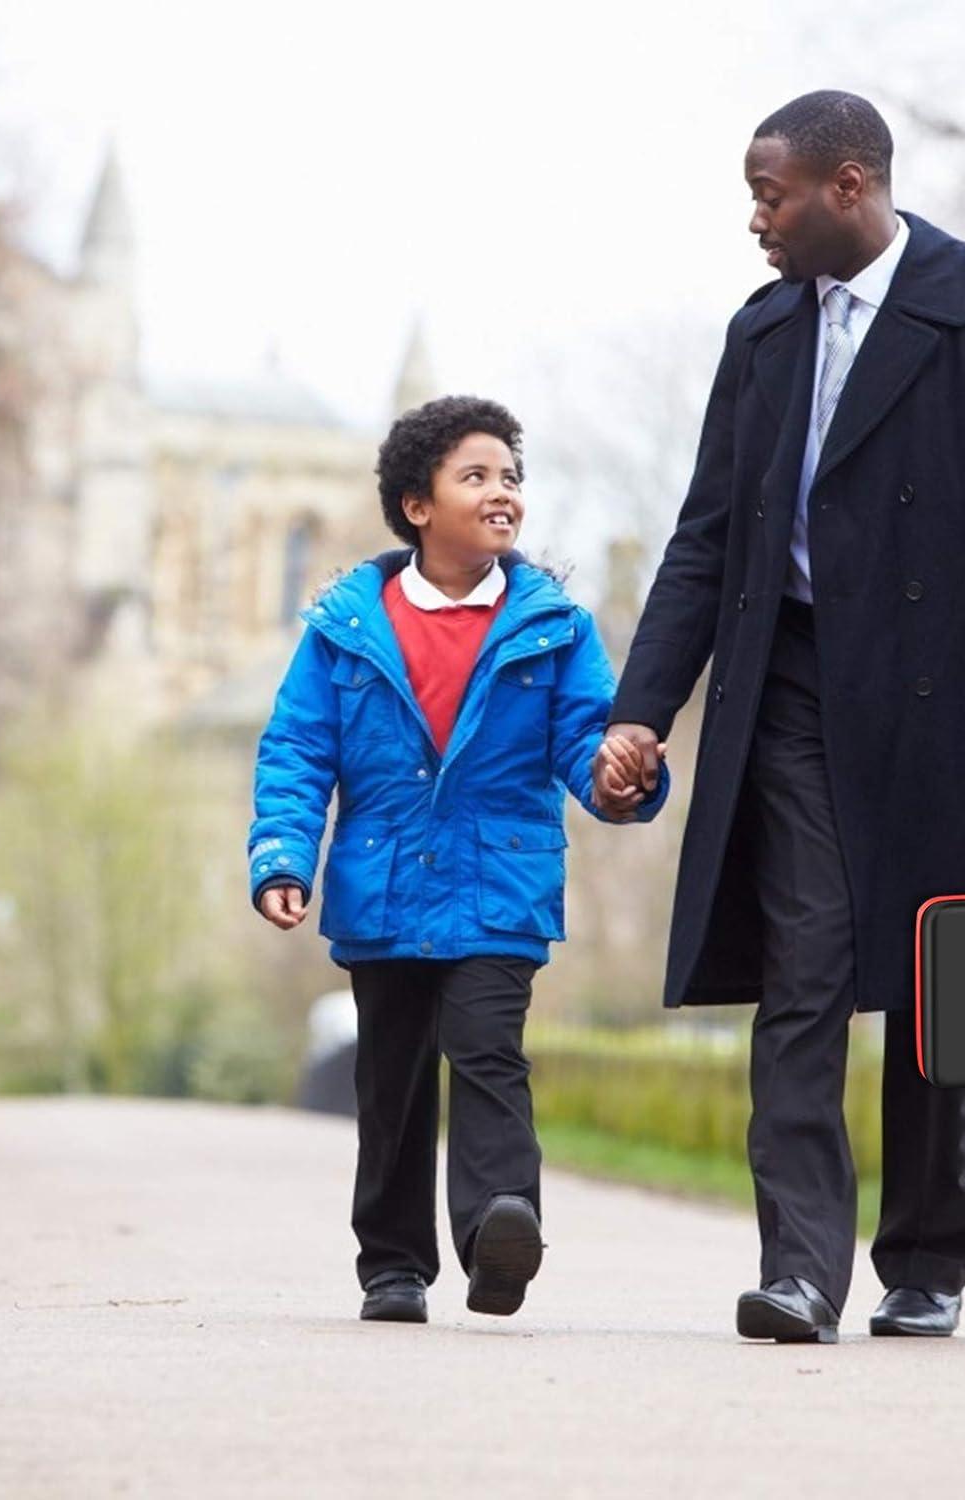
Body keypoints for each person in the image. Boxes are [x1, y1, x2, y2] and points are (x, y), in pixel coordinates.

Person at [593, 91, 965, 1343]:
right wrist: (643, 710)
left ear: (848, 186)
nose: (755, 221)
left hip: (948, 707)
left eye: (768, 195)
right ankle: (800, 1272)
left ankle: (927, 1261)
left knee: (942, 985)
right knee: (804, 968)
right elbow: (708, 536)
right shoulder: (764, 331)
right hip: (791, 691)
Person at [250, 394, 668, 1325]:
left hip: (498, 883)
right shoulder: (344, 627)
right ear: (417, 506)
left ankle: (498, 1226)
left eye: (511, 476)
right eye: (474, 476)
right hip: (383, 886)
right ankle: (394, 1265)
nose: (501, 492)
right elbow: (297, 751)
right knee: (391, 1079)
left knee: (488, 1051)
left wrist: (617, 778)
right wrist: (283, 858)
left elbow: (587, 743)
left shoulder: (555, 625)